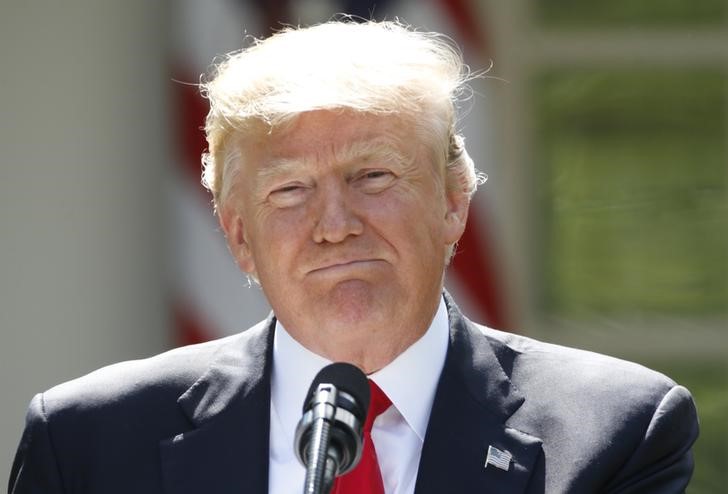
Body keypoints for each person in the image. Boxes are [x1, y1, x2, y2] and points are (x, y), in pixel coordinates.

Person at [9, 20, 698, 494]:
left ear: (454, 202)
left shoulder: (615, 430)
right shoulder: (89, 442)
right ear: (239, 236)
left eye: (374, 177)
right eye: (290, 191)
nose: (334, 225)